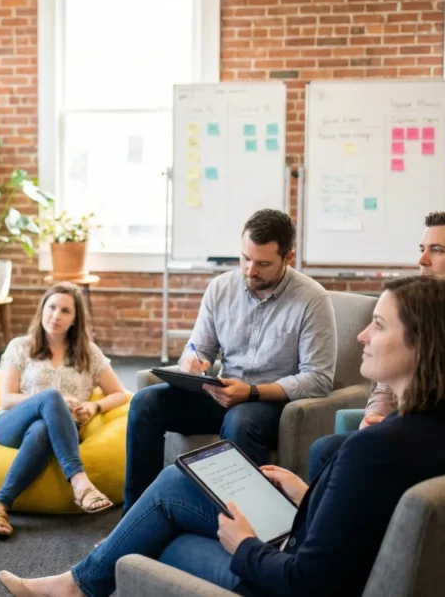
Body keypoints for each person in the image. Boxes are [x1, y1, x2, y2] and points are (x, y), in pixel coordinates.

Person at [0, 275, 445, 597]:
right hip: (331, 553)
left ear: (423, 346)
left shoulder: (375, 449)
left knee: (155, 542)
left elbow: (307, 583)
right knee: (174, 475)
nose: (363, 336)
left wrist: (242, 545)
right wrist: (310, 496)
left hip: (288, 576)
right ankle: (83, 578)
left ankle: (79, 583)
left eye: (377, 325)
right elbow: (374, 520)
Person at [124, 209, 337, 515]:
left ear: (288, 258)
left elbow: (318, 379)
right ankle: (135, 516)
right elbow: (198, 348)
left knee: (241, 421)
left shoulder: (312, 300)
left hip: (272, 402)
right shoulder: (221, 288)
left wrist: (251, 392)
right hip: (222, 392)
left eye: (263, 264)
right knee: (145, 403)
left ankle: (246, 527)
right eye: (245, 258)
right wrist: (194, 364)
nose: (250, 271)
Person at [309, 211, 445, 478]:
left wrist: (412, 440)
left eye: (437, 250)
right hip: (406, 430)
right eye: (422, 249)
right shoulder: (422, 311)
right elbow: (387, 381)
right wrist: (374, 417)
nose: (422, 260)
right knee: (326, 449)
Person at [0, 283, 129, 538]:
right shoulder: (21, 346)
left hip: (57, 433)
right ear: (41, 310)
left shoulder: (89, 354)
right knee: (51, 397)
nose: (56, 316)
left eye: (65, 311)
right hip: (10, 425)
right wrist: (57, 399)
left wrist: (94, 406)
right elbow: (6, 399)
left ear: (75, 319)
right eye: (51, 308)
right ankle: (79, 481)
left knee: (41, 429)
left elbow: (120, 393)